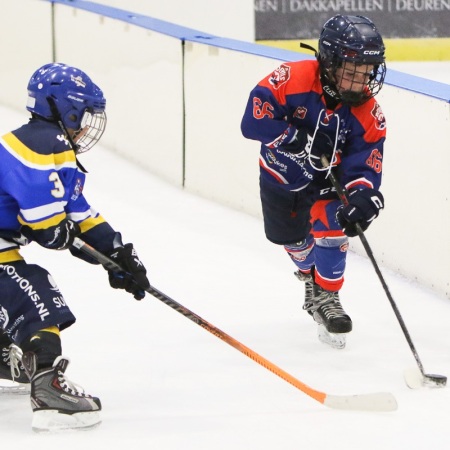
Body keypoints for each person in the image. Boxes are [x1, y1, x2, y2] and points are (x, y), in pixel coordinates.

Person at [0, 63, 150, 431]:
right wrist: (62, 235)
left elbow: (79, 216)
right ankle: (49, 385)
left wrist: (118, 255)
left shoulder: (44, 143)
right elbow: (48, 226)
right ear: (65, 110)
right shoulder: (40, 145)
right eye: (83, 113)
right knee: (35, 293)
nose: (86, 123)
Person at [241, 15, 387, 349]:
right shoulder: (293, 77)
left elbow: (364, 163)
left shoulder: (368, 110)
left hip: (328, 184)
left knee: (334, 229)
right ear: (330, 62)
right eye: (353, 70)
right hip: (282, 175)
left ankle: (327, 298)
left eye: (367, 71)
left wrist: (363, 197)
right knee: (291, 241)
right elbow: (253, 121)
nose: (362, 79)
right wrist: (296, 138)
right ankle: (309, 276)